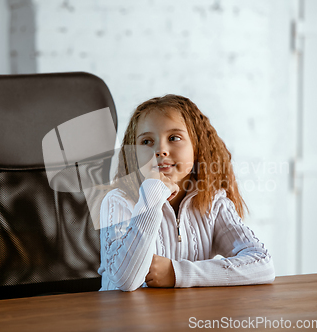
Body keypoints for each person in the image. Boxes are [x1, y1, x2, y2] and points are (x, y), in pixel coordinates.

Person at [97, 94, 274, 291]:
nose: (161, 150)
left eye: (174, 138)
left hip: (186, 316)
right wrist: (152, 195)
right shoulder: (118, 201)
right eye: (146, 141)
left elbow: (262, 265)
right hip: (126, 319)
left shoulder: (213, 203)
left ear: (197, 147)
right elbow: (125, 281)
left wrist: (176, 273)